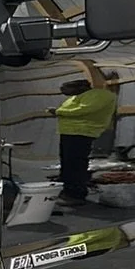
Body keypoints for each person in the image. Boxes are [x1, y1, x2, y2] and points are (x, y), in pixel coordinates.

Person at [55, 64, 117, 201]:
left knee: (75, 164)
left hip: (81, 133)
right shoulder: (79, 97)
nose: (64, 92)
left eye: (67, 89)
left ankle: (76, 194)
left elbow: (84, 110)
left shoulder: (98, 96)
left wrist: (58, 112)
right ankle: (67, 188)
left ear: (81, 87)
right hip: (70, 133)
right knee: (68, 163)